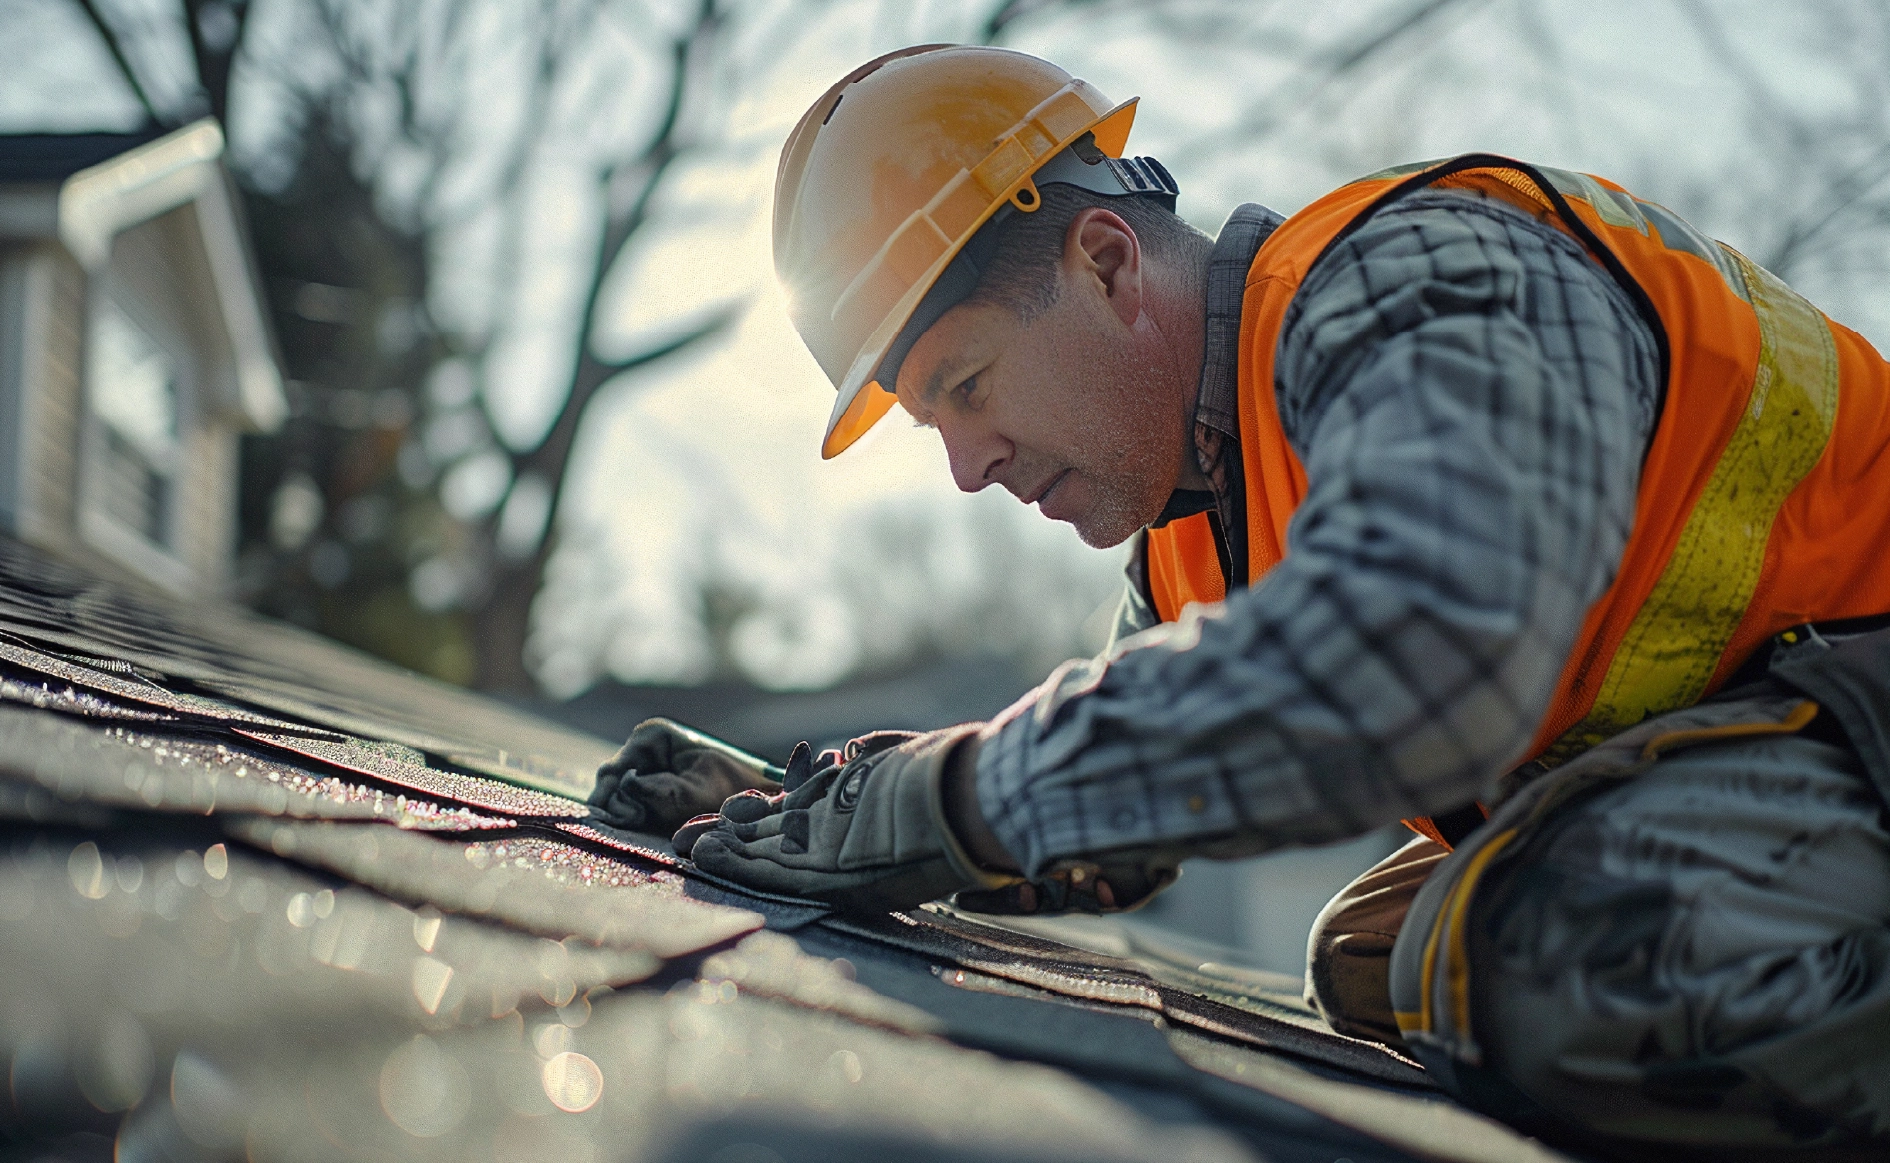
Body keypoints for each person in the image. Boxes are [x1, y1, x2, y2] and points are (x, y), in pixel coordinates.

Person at [588, 45, 1890, 1154]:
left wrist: (949, 798)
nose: (966, 467)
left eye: (965, 386)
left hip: (1863, 701)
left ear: (1106, 263)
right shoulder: (1200, 536)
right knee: (1378, 957)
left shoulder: (1409, 283)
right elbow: (1102, 808)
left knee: (1557, 962)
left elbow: (1424, 650)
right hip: (1797, 740)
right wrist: (825, 796)